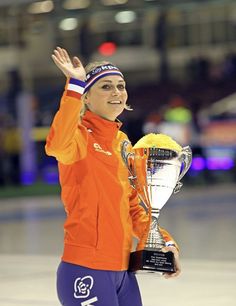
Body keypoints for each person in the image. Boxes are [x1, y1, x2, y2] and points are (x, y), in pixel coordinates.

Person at [45, 46, 181, 306]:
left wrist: (164, 243)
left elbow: (133, 207)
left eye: (120, 85)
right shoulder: (79, 138)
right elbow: (56, 145)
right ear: (85, 98)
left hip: (123, 272)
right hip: (86, 269)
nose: (117, 92)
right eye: (105, 87)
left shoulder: (123, 143)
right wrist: (74, 84)